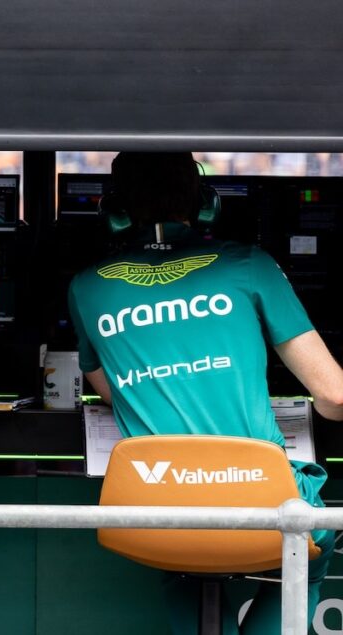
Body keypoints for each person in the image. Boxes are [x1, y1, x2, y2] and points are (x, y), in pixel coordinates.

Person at [67, 151, 343, 635]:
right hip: (260, 497)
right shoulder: (249, 265)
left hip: (155, 501)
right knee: (311, 544)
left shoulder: (86, 286)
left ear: (115, 208)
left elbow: (111, 393)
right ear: (206, 202)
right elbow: (336, 397)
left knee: (180, 562)